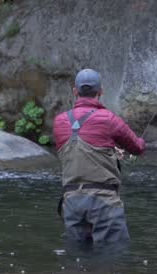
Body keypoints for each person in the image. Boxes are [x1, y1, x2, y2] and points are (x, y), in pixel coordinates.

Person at [52, 68, 146, 246]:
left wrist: (110, 151)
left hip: (71, 203)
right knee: (113, 259)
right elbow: (137, 147)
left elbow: (80, 152)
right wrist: (141, 142)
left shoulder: (60, 122)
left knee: (78, 261)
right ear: (100, 92)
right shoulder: (109, 119)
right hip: (104, 203)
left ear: (75, 91)